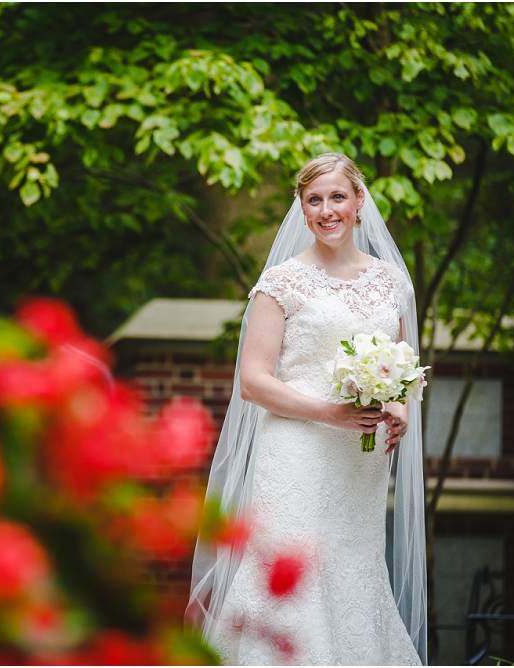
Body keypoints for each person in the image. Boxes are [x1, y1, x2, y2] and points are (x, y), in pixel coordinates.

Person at [187, 153, 427, 665]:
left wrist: (401, 405)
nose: (327, 210)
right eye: (314, 200)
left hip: (358, 458)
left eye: (337, 196)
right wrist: (329, 412)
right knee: (291, 566)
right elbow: (252, 382)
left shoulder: (392, 283)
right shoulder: (281, 283)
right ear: (301, 208)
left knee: (352, 566)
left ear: (360, 201)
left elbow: (404, 367)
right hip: (295, 449)